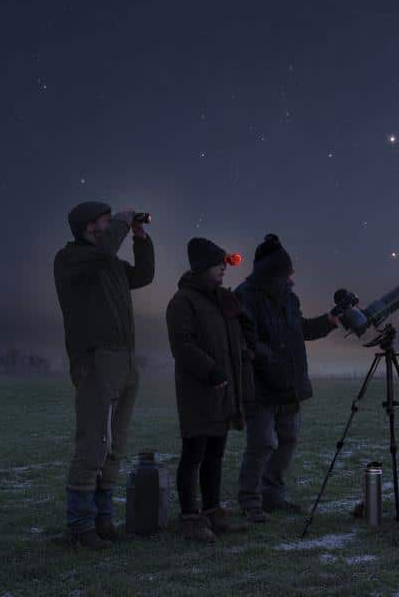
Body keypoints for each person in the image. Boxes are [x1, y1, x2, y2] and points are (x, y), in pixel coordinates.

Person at [53, 202, 154, 550]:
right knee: (93, 443)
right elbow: (103, 251)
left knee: (115, 444)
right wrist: (123, 224)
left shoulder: (107, 260)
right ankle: (79, 527)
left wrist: (140, 237)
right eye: (107, 220)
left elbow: (143, 276)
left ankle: (103, 519)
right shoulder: (71, 259)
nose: (113, 225)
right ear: (89, 226)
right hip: (95, 359)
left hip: (124, 358)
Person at [235, 234, 338, 521]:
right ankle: (250, 501)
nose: (291, 280)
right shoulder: (245, 297)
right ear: (272, 273)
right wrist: (272, 364)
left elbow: (299, 330)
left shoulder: (289, 299)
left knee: (288, 440)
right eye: (286, 274)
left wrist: (327, 322)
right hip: (261, 386)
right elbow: (248, 339)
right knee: (262, 443)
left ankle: (273, 496)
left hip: (289, 385)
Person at [165, 237, 256, 542]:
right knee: (194, 453)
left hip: (223, 390)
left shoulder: (221, 301)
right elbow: (183, 344)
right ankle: (190, 518)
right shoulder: (183, 301)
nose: (223, 270)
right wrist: (211, 369)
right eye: (218, 265)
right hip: (198, 391)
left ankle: (212, 511)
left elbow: (234, 341)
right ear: (203, 267)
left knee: (215, 453)